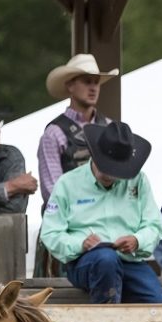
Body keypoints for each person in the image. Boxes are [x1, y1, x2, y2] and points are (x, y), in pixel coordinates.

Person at [40, 121, 162, 304]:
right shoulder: (67, 183)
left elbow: (154, 225)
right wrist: (80, 244)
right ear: (94, 154)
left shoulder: (139, 181)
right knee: (105, 260)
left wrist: (137, 240)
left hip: (129, 262)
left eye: (115, 169)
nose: (109, 174)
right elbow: (51, 233)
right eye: (105, 166)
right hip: (85, 262)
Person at [34, 53, 119, 278]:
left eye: (96, 82)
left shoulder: (111, 129)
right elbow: (52, 193)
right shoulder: (54, 134)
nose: (93, 88)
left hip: (109, 225)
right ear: (70, 86)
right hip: (67, 229)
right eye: (86, 81)